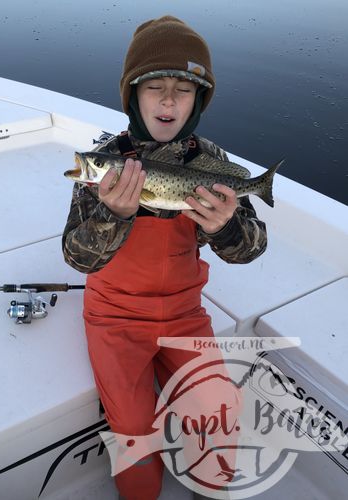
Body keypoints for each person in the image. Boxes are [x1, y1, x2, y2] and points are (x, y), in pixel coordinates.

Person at [62, 15, 267, 500]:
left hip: (184, 314)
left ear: (200, 100)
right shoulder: (107, 161)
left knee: (218, 410)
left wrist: (227, 226)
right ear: (133, 94)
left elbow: (252, 247)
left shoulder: (212, 162)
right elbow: (78, 259)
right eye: (155, 87)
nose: (169, 100)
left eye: (184, 89)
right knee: (133, 430)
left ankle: (211, 488)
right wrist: (112, 215)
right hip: (115, 318)